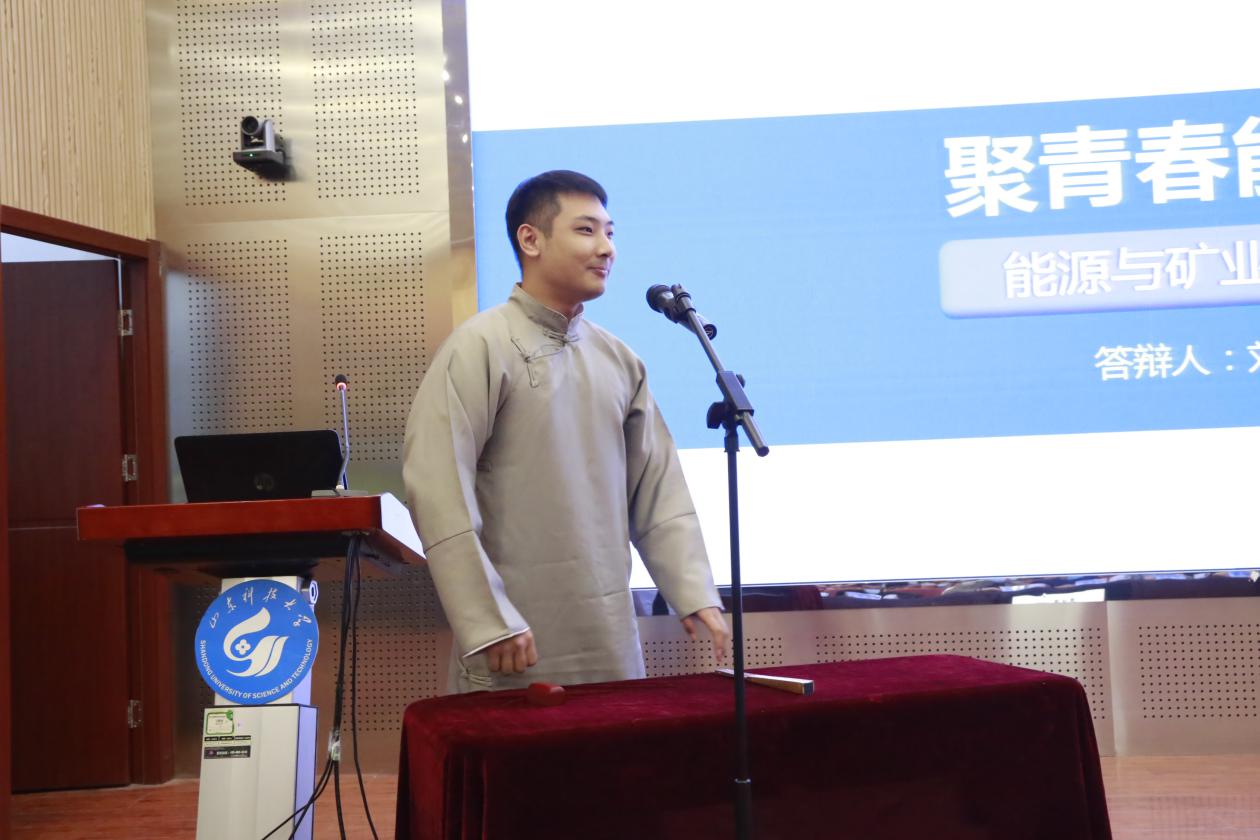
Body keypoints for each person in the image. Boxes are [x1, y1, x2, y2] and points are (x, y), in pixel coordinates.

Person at [403, 169, 729, 692]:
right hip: (513, 644)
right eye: (586, 230)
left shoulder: (618, 359)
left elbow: (658, 488)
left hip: (610, 641)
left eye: (610, 233)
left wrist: (693, 591)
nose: (606, 248)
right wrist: (488, 621)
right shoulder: (479, 346)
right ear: (530, 239)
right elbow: (438, 487)